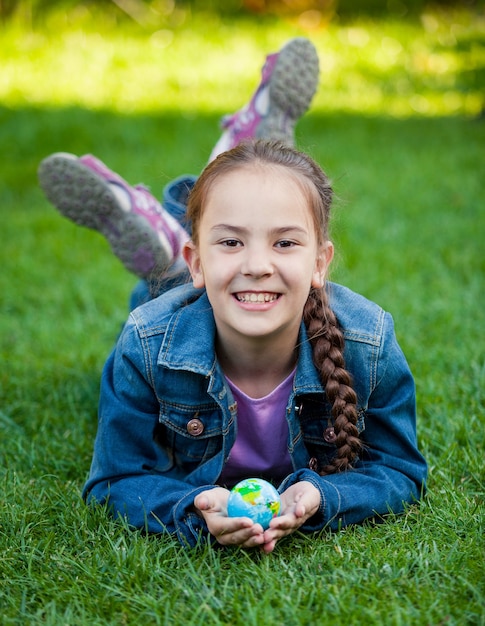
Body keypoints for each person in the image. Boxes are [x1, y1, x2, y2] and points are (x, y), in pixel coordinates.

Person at [38, 40, 427, 553]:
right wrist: (193, 509)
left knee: (215, 264)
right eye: (231, 242)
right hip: (185, 303)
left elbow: (399, 469)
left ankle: (188, 209)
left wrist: (321, 494)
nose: (259, 264)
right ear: (200, 259)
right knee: (167, 295)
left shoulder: (367, 342)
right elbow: (115, 479)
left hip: (205, 288)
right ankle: (175, 229)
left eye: (285, 242)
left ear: (320, 263)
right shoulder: (145, 343)